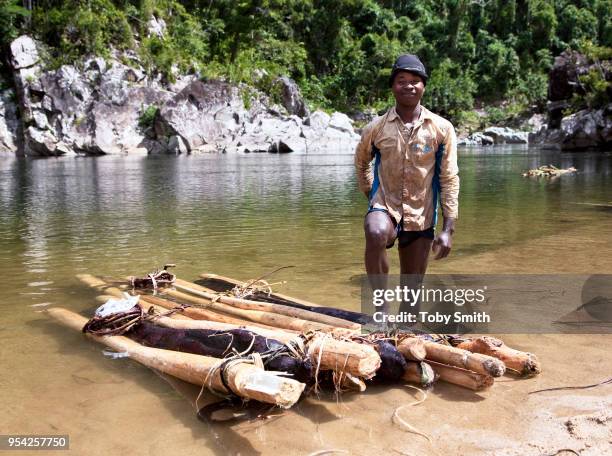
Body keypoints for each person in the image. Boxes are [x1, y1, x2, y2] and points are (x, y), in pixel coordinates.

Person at [354, 54, 459, 314]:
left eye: (415, 81)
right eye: (402, 81)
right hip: (385, 207)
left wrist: (448, 229)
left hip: (422, 215)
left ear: (423, 86)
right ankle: (380, 308)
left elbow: (449, 177)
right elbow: (361, 163)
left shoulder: (441, 128)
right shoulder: (376, 128)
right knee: (375, 231)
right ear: (393, 87)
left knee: (411, 303)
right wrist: (372, 195)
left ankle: (405, 338)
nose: (409, 86)